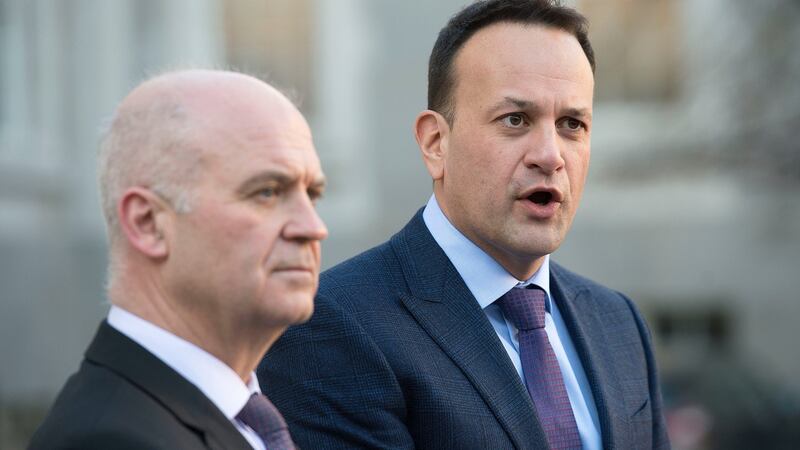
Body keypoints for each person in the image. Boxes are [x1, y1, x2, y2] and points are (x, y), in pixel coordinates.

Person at [258, 1, 670, 449]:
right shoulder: (332, 326)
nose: (550, 155)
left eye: (573, 124)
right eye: (515, 120)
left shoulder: (618, 323)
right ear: (436, 143)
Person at [29, 70, 328, 449]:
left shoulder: (241, 413)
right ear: (148, 223)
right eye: (267, 192)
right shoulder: (109, 439)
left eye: (312, 194)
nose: (313, 227)